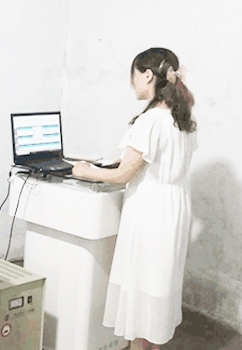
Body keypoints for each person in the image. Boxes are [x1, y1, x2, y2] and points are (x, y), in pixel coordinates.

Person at [71, 48, 197, 350]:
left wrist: (85, 171)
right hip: (175, 204)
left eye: (134, 77)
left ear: (148, 76)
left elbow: (123, 175)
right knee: (159, 283)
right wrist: (122, 164)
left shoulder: (151, 120)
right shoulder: (182, 117)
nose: (132, 84)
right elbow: (152, 161)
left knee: (142, 282)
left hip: (151, 209)